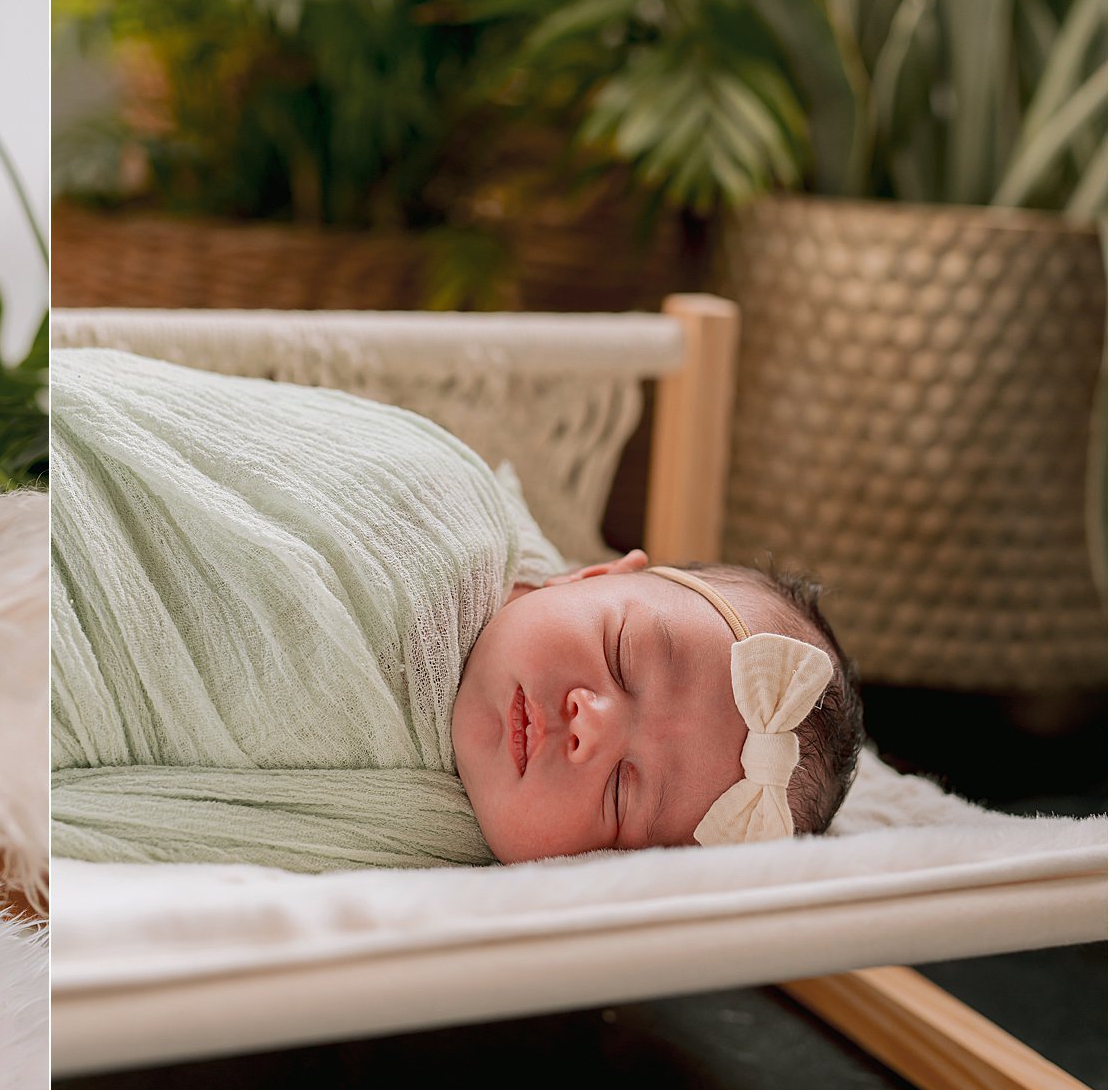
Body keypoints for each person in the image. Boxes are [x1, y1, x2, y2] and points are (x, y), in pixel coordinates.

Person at [51, 346, 862, 870]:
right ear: (589, 576)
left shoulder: (424, 841)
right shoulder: (439, 502)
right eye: (619, 654)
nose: (590, 724)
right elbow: (176, 438)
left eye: (622, 795)